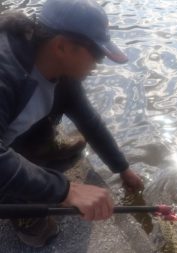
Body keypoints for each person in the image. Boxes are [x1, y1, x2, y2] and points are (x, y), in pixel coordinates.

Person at [0, 0, 144, 247]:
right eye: (96, 53)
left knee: (64, 158)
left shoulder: (57, 68)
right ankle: (24, 215)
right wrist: (66, 190)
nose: (99, 63)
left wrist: (123, 169)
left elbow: (89, 121)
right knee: (43, 226)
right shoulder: (6, 74)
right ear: (62, 46)